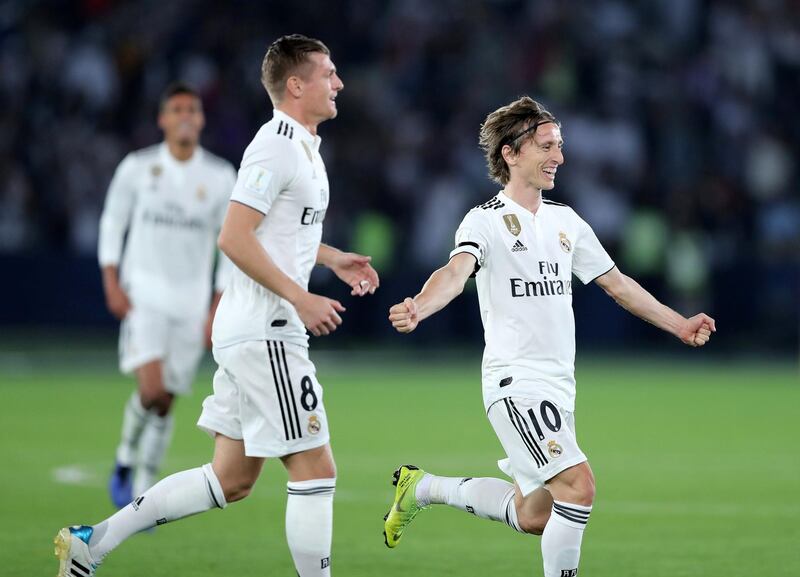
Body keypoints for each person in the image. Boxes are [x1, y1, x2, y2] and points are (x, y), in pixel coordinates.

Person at [55, 34, 378, 577]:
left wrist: (331, 258)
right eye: (329, 73)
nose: (339, 82)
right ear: (296, 85)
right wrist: (299, 297)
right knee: (316, 467)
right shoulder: (276, 144)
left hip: (251, 325)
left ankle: (93, 542)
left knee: (231, 478)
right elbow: (233, 236)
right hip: (267, 327)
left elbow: (274, 231)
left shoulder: (300, 146)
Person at [382, 96, 715, 577]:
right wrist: (420, 305)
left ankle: (422, 487)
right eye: (545, 145)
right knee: (578, 487)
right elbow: (456, 273)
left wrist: (678, 323)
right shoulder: (485, 220)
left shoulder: (566, 222)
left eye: (559, 145)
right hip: (514, 382)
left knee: (535, 514)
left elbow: (617, 284)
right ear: (511, 154)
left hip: (559, 386)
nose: (558, 155)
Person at [98, 82, 236, 507]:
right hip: (146, 297)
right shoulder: (137, 168)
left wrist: (216, 309)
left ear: (201, 119)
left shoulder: (218, 176)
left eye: (192, 110)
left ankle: (143, 483)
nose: (185, 116)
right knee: (153, 389)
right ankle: (124, 459)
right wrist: (112, 281)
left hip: (192, 303)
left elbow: (229, 245)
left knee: (166, 402)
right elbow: (111, 223)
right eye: (176, 109)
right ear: (162, 119)